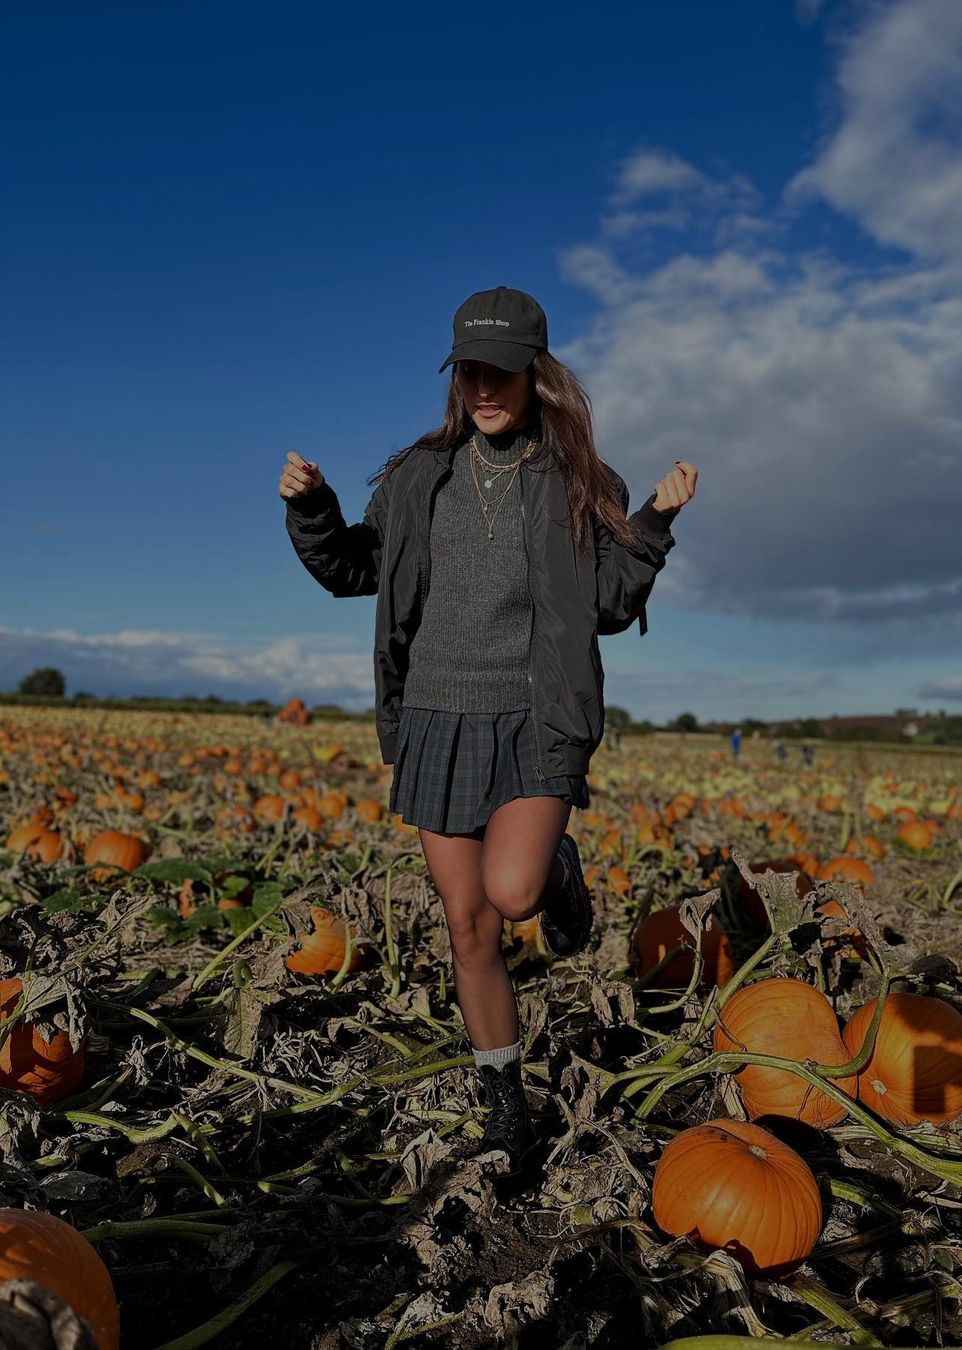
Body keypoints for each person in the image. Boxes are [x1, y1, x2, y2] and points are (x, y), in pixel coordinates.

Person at [280, 286, 697, 1172]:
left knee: (512, 894)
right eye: (469, 369)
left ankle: (555, 867)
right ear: (455, 373)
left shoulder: (581, 481)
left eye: (500, 370)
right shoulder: (418, 477)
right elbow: (357, 570)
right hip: (436, 718)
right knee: (468, 927)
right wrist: (313, 510)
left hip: (535, 717)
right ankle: (504, 1101)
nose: (483, 387)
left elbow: (612, 604)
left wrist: (655, 523)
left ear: (533, 373)